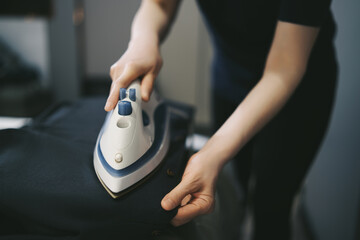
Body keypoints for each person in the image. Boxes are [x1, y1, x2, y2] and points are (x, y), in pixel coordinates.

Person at [104, 0, 337, 239]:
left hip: (297, 90)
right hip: (230, 74)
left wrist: (213, 152)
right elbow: (160, 5)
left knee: (272, 205)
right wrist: (143, 41)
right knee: (240, 182)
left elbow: (284, 67)